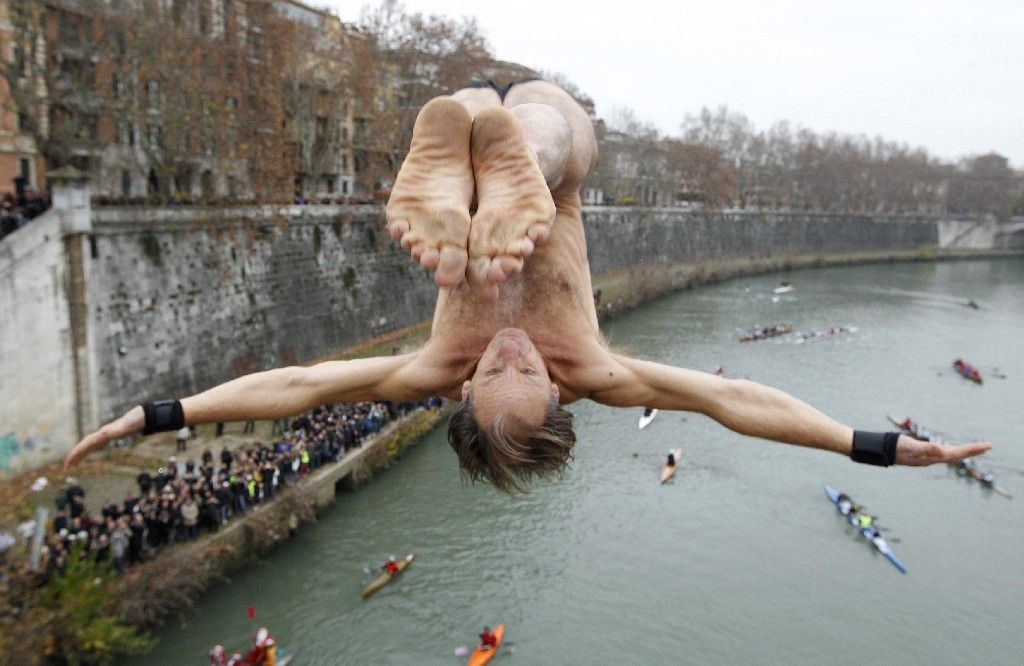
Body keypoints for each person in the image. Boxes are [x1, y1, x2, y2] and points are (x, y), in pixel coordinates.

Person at [65, 79, 992, 495]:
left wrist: (163, 413)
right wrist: (864, 445)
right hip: (555, 165)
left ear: (463, 391)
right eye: (529, 367)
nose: (511, 348)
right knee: (545, 129)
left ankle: (470, 146)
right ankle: (505, 156)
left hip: (474, 186)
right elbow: (734, 399)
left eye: (494, 365)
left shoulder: (432, 365)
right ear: (562, 393)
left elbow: (297, 386)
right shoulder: (597, 366)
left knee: (480, 108)